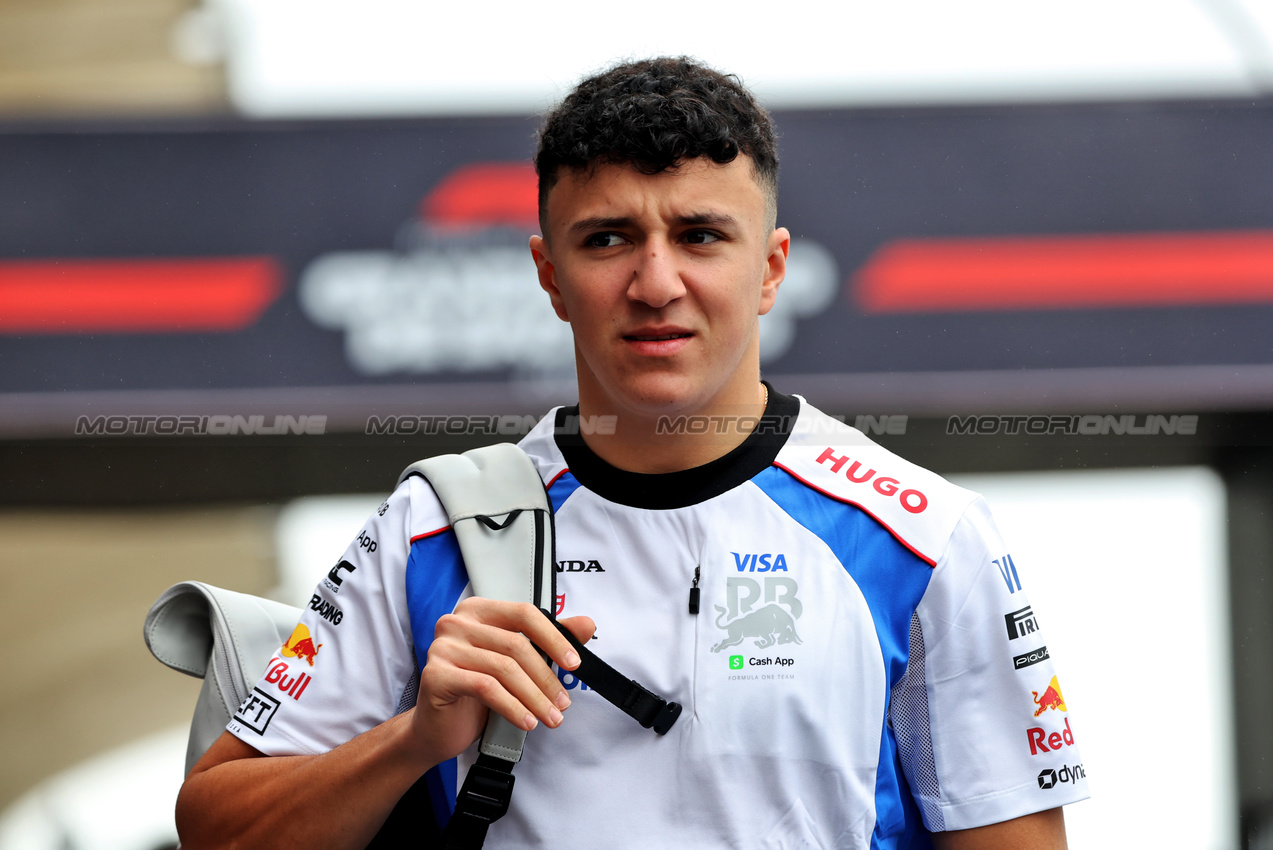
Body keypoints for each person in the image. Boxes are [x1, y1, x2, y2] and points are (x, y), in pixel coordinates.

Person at [176, 56, 1088, 849]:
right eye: (607, 240)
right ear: (548, 275)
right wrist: (415, 736)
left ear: (769, 269)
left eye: (699, 236)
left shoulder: (924, 536)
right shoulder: (431, 529)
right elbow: (218, 827)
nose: (655, 284)